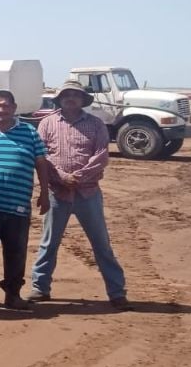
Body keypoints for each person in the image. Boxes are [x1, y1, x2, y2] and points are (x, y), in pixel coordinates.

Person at [28, 81, 131, 310]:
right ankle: (40, 287)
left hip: (88, 193)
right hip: (58, 192)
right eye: (67, 95)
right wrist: (62, 176)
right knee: (49, 243)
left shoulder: (96, 124)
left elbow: (102, 155)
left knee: (101, 244)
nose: (71, 98)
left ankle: (116, 292)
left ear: (83, 100)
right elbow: (42, 155)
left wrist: (80, 176)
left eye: (76, 95)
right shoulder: (47, 123)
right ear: (60, 99)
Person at [0, 90, 50, 311]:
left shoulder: (29, 132)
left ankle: (13, 294)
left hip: (18, 204)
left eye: (5, 106)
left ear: (14, 108)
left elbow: (41, 163)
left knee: (16, 251)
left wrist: (44, 192)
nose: (1, 110)